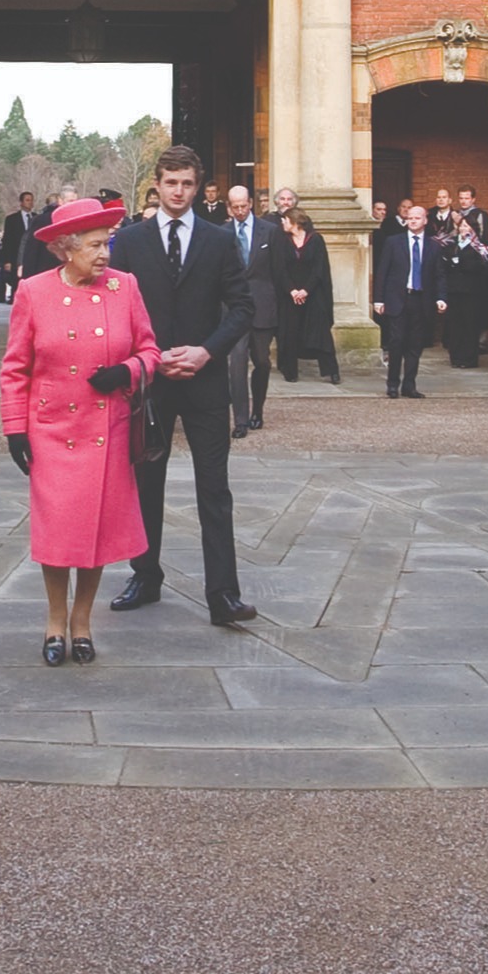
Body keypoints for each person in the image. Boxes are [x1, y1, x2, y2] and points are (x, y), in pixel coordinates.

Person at [0, 196, 161, 664]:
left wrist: (126, 372)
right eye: (94, 245)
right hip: (51, 430)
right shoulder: (33, 292)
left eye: (107, 243)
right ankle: (54, 622)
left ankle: (83, 624)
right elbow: (15, 369)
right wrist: (15, 428)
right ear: (67, 249)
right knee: (58, 533)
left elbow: (151, 352)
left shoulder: (125, 287)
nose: (105, 253)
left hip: (105, 429)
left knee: (96, 533)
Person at [107, 145, 256, 626]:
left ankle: (223, 594)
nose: (179, 191)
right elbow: (116, 313)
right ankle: (145, 576)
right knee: (146, 483)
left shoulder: (218, 240)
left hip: (206, 380)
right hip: (149, 383)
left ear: (198, 185)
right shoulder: (129, 242)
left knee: (214, 488)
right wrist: (148, 360)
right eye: (171, 183)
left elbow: (242, 307)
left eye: (188, 184)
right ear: (157, 183)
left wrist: (207, 351)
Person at [373, 203, 446, 398]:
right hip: (398, 298)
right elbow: (382, 272)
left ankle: (409, 385)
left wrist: (441, 297)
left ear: (424, 221)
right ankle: (392, 384)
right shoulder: (393, 242)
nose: (412, 221)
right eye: (410, 218)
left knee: (415, 345)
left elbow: (439, 275)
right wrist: (378, 299)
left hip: (421, 299)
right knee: (396, 341)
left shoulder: (433, 246)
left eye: (416, 218)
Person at [224, 185, 279, 438]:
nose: (240, 211)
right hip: (233, 309)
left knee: (261, 362)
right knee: (236, 364)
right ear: (229, 207)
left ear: (250, 204)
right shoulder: (222, 234)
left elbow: (279, 273)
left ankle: (258, 409)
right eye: (235, 207)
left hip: (263, 307)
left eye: (243, 206)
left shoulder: (270, 232)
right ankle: (241, 421)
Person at [272, 207, 338, 385]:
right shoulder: (282, 241)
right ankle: (290, 370)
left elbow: (319, 268)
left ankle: (331, 371)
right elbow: (279, 269)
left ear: (294, 222)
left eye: (285, 220)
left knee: (321, 332)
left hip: (312, 293)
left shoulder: (315, 240)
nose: (282, 223)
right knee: (290, 332)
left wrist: (306, 290)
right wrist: (292, 290)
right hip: (289, 294)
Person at [443, 213, 488, 369]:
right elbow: (446, 262)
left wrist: (460, 263)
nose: (464, 229)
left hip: (472, 291)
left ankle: (469, 358)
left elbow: (480, 266)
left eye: (467, 226)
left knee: (470, 324)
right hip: (454, 290)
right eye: (462, 226)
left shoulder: (479, 246)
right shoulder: (453, 244)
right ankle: (456, 357)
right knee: (455, 324)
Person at [19, 184, 79, 283]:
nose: (73, 205)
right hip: (46, 275)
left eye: (76, 202)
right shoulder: (43, 221)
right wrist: (28, 279)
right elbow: (32, 251)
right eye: (70, 201)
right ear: (60, 201)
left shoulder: (80, 221)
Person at [0, 193, 37, 301]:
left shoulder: (36, 218)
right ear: (21, 202)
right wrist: (7, 261)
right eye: (27, 200)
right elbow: (7, 241)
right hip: (15, 257)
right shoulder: (11, 219)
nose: (30, 202)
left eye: (31, 200)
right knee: (16, 282)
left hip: (32, 257)